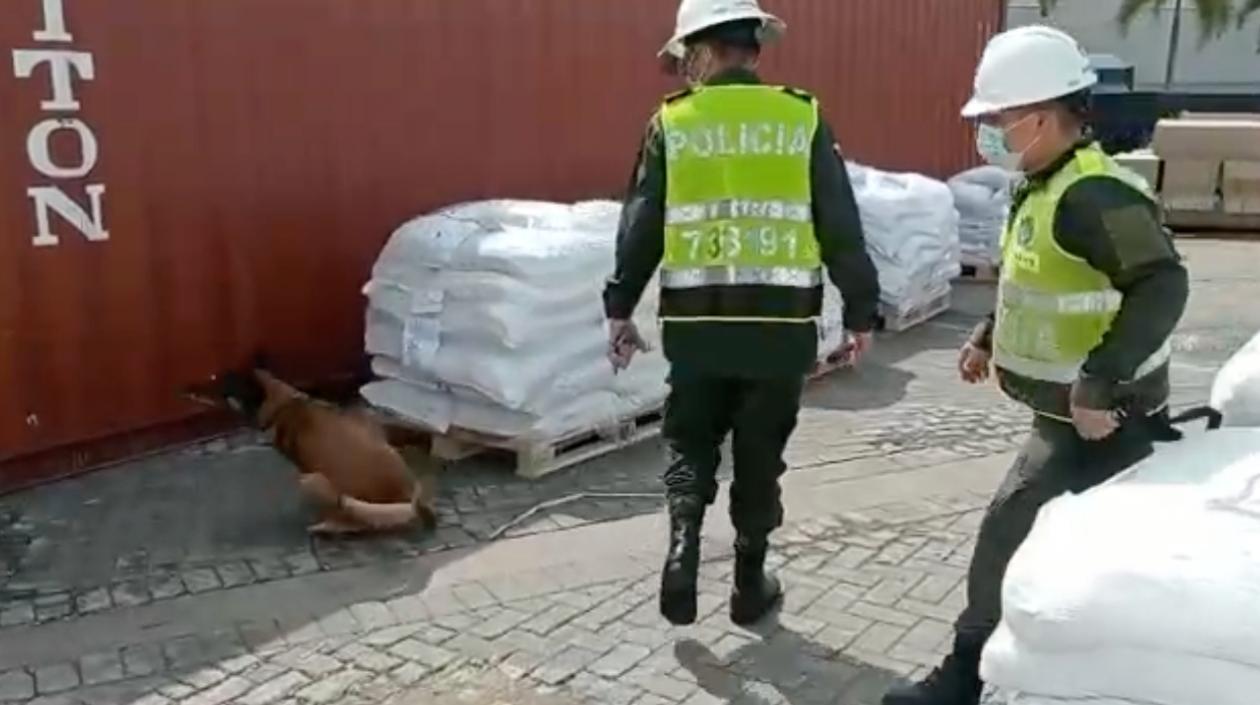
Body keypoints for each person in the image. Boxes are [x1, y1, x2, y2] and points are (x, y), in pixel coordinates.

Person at [883, 26, 1189, 705]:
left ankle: (964, 677)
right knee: (1061, 550)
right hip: (1068, 413)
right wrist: (989, 337)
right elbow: (1034, 278)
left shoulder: (1095, 195)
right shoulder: (1041, 185)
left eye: (998, 119)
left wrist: (1099, 381)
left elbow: (1163, 284)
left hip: (1103, 421)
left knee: (1006, 536)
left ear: (1042, 117)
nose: (988, 132)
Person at [602, 0, 881, 627]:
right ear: (754, 47)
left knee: (691, 441)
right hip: (780, 333)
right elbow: (840, 224)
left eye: (686, 59)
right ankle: (749, 585)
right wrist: (862, 313)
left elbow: (641, 224)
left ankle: (682, 553)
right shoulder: (800, 115)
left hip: (697, 330)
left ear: (701, 50)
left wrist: (620, 308)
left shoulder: (674, 122)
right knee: (760, 458)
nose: (684, 72)